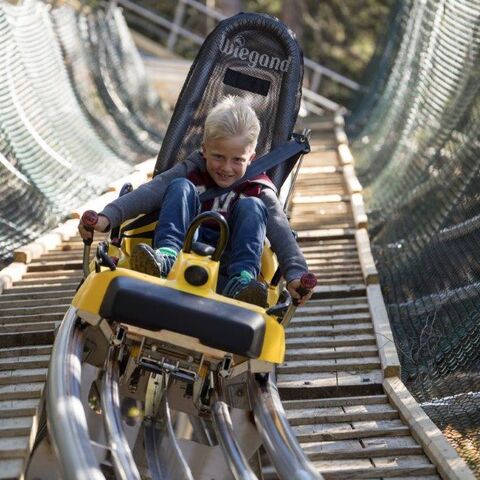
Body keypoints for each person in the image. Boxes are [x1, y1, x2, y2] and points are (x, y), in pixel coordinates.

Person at [79, 96, 313, 307]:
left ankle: (242, 283)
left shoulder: (259, 188)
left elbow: (282, 232)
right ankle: (165, 258)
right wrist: (107, 217)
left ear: (251, 158)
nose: (226, 168)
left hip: (231, 259)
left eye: (237, 160)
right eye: (218, 157)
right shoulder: (192, 169)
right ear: (204, 149)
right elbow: (150, 192)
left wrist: (296, 274)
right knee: (180, 186)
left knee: (253, 206)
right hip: (183, 246)